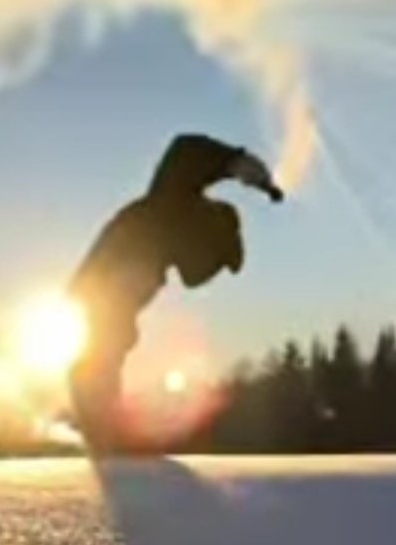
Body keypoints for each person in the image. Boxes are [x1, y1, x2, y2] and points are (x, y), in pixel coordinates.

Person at [68, 134, 283, 448]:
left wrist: (258, 188)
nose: (207, 262)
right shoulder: (175, 199)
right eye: (214, 250)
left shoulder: (185, 237)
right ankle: (103, 428)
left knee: (115, 340)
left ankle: (104, 426)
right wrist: (237, 163)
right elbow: (184, 151)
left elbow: (193, 276)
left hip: (111, 282)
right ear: (208, 226)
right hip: (108, 275)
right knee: (109, 340)